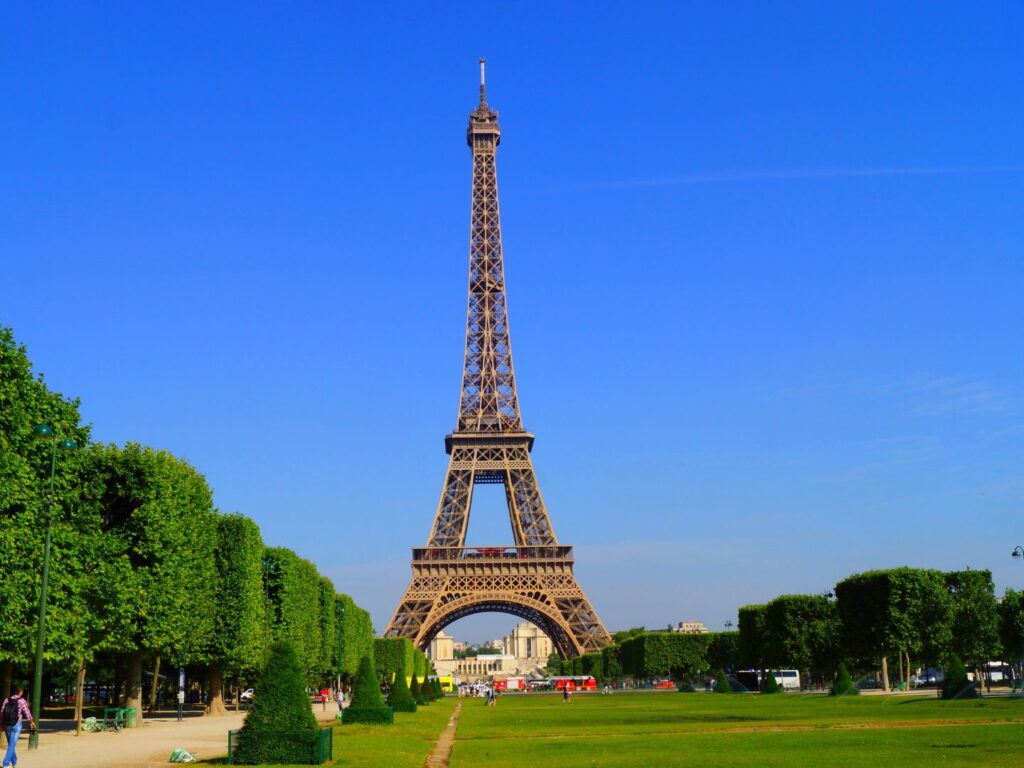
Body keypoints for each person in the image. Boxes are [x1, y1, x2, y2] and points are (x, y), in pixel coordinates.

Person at [2, 687, 35, 768]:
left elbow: (2, 712)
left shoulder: (6, 700)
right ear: (20, 692)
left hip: (6, 724)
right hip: (16, 724)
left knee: (11, 744)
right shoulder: (21, 700)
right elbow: (26, 712)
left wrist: (1, 724)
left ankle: (14, 761)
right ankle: (5, 763)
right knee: (12, 744)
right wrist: (31, 721)